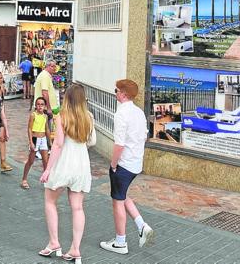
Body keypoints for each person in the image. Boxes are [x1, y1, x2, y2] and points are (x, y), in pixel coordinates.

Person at [39, 83, 96, 263]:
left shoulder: (61, 116)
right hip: (81, 165)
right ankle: (75, 249)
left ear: (68, 98)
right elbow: (91, 141)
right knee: (77, 207)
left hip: (64, 163)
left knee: (50, 201)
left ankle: (54, 242)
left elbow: (58, 144)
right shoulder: (89, 117)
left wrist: (48, 168)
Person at [100, 79, 155, 255]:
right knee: (122, 195)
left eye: (116, 90)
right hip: (135, 162)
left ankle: (120, 242)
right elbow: (145, 137)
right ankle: (141, 226)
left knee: (117, 201)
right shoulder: (138, 112)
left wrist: (113, 164)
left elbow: (119, 144)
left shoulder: (121, 114)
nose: (115, 92)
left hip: (123, 164)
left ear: (123, 94)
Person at [21, 97, 50, 189]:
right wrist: (30, 142)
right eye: (38, 104)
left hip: (43, 139)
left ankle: (46, 180)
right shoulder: (33, 115)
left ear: (45, 106)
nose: (40, 106)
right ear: (35, 105)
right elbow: (29, 128)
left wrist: (51, 142)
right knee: (31, 160)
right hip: (35, 138)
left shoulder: (45, 116)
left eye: (42, 104)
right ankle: (24, 179)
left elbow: (47, 129)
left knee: (46, 161)